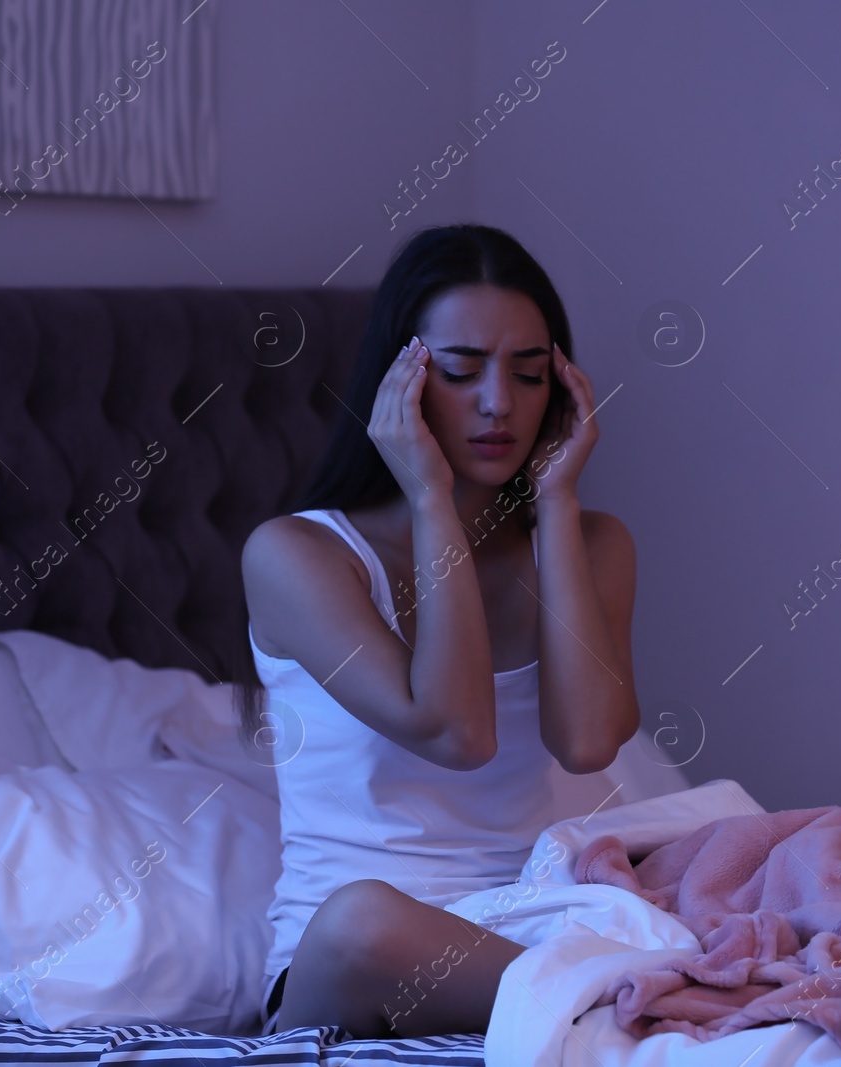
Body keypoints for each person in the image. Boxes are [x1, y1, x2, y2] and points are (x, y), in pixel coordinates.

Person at [234, 223, 640, 1040]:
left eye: (529, 375)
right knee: (363, 921)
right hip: (357, 966)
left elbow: (589, 741)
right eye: (460, 372)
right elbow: (456, 731)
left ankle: (612, 1000)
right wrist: (428, 498)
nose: (499, 404)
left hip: (533, 927)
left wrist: (556, 504)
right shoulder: (298, 554)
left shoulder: (594, 543)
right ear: (400, 382)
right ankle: (633, 1002)